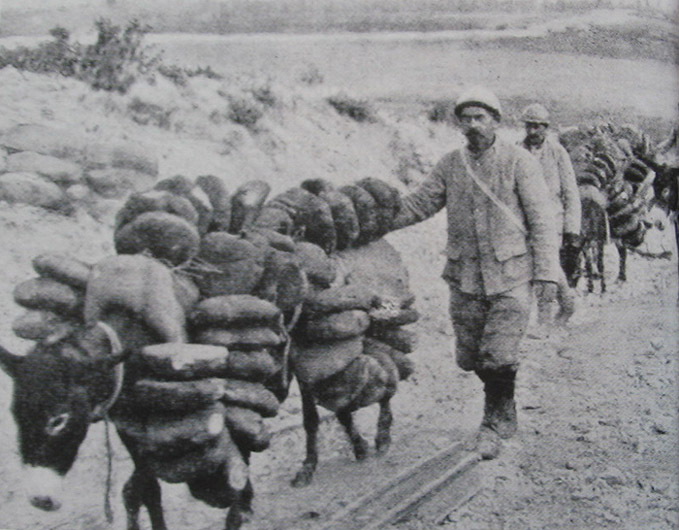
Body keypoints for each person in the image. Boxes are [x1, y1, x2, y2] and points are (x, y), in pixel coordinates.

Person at [391, 87, 560, 460]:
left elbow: (543, 221)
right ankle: (501, 404)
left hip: (511, 275)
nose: (472, 125)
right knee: (470, 357)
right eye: (465, 118)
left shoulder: (519, 162)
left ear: (496, 121)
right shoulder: (451, 163)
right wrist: (373, 222)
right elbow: (420, 204)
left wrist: (547, 271)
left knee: (498, 354)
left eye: (480, 117)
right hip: (465, 277)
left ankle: (497, 417)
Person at [519, 103, 581, 330]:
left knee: (546, 267)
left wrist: (572, 229)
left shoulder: (558, 153)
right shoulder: (516, 151)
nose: (533, 132)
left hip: (552, 220)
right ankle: (568, 303)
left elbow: (570, 192)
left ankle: (544, 321)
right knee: (546, 266)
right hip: (524, 222)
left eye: (538, 127)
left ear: (546, 128)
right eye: (529, 126)